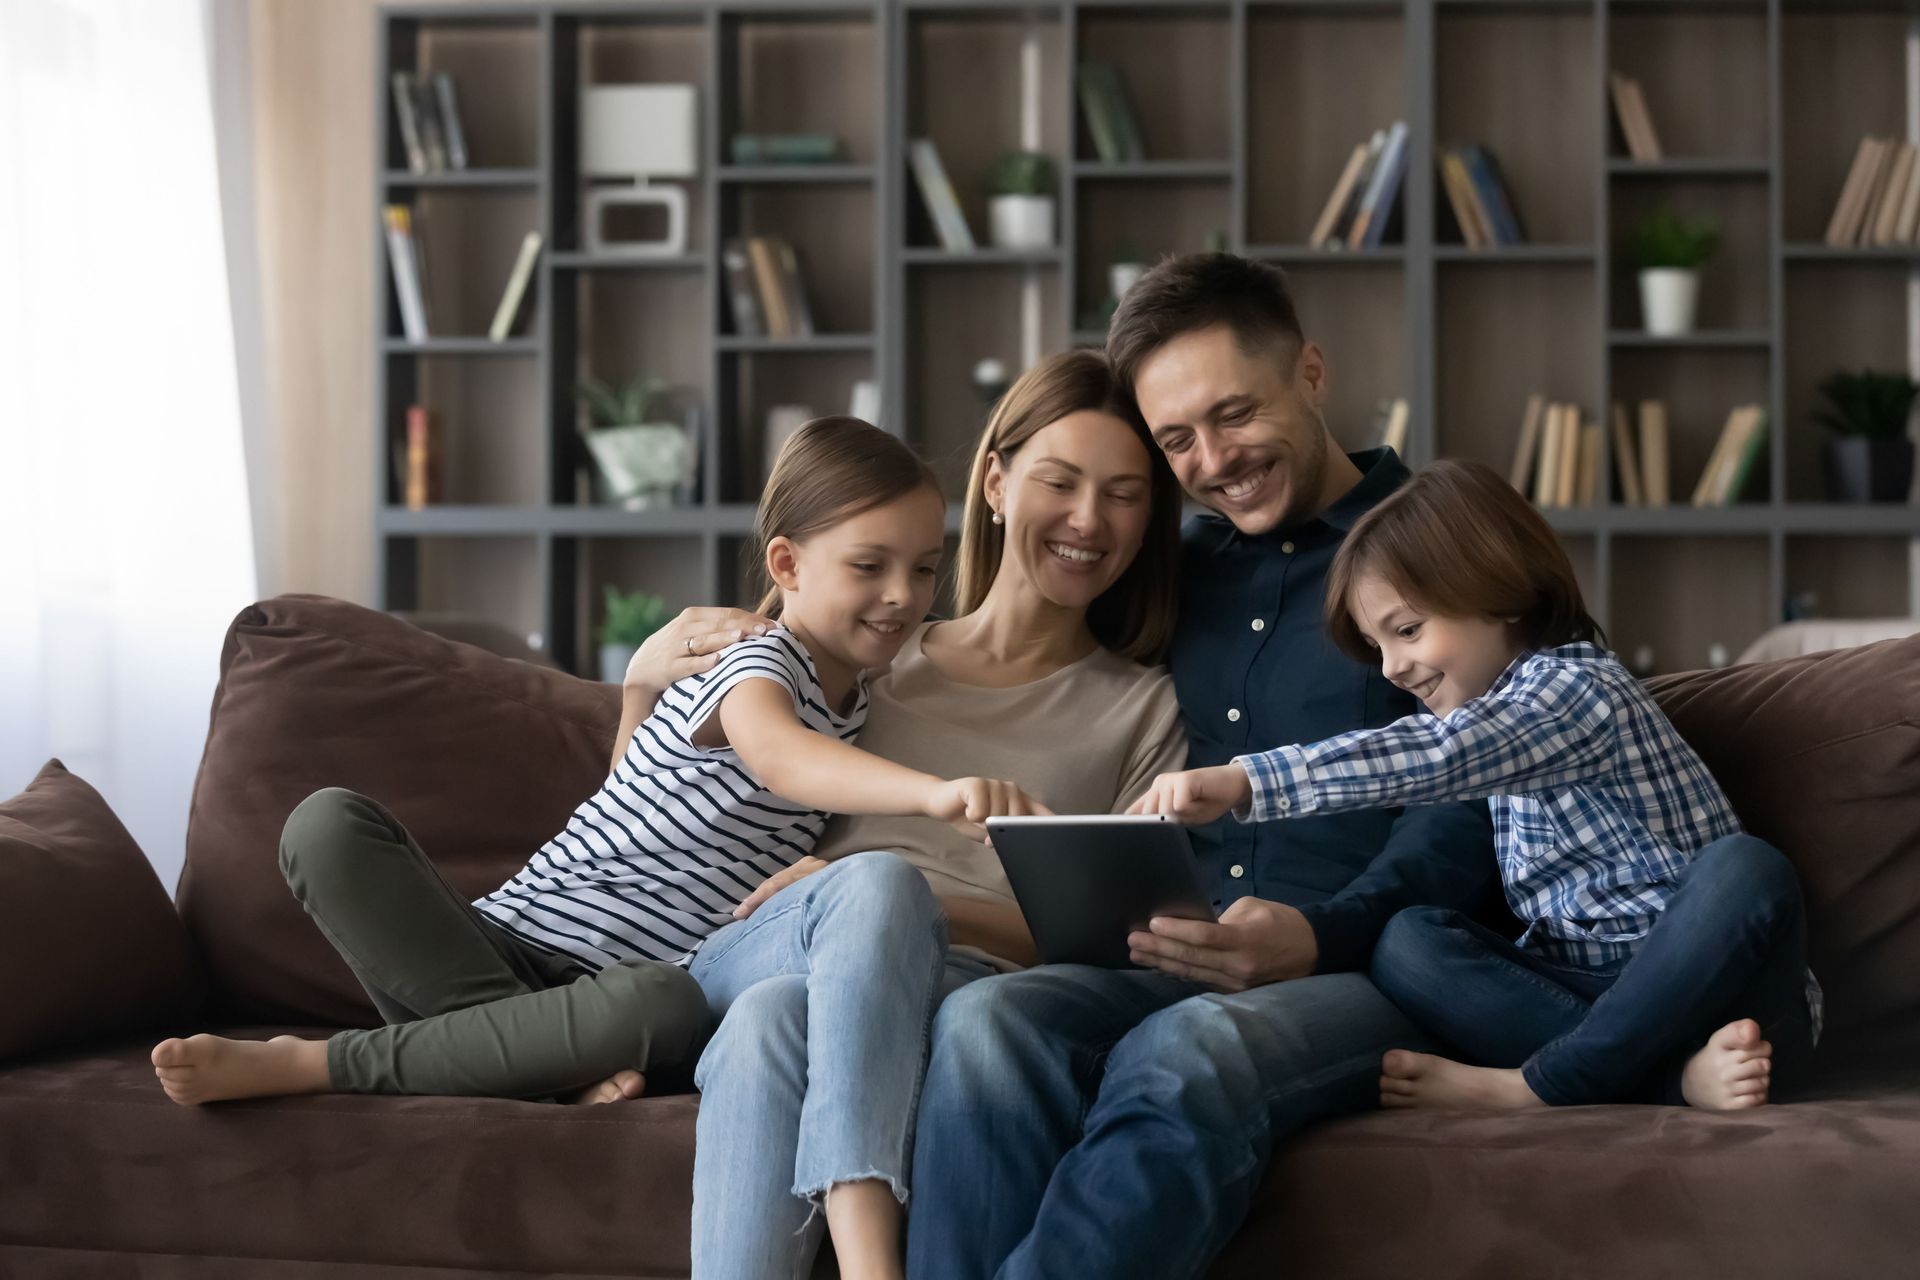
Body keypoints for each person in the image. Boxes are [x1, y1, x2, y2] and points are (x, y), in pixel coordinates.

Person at [146, 413, 1046, 1256]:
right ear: (787, 564)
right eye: (870, 566)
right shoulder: (757, 660)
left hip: (621, 992)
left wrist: (637, 697)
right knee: (325, 823)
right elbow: (777, 758)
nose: (903, 596)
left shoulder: (864, 701)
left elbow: (635, 785)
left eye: (925, 569)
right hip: (503, 940)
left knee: (668, 1003)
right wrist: (937, 796)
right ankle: (532, 1064)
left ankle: (321, 1063)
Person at [904, 253, 1496, 1280]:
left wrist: (1318, 932)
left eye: (1235, 413)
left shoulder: (1441, 543)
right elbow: (1021, 622)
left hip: (1367, 970)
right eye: (1176, 438)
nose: (1214, 459)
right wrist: (773, 639)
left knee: (1190, 1050)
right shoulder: (1179, 565)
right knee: (989, 1017)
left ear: (1310, 372)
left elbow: (1489, 790)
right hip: (1168, 955)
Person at [621, 349, 1189, 1280]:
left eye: (1126, 494)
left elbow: (1115, 940)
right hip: (774, 944)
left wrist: (910, 900)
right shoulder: (873, 642)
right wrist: (639, 689)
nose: (1090, 519)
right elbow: (662, 810)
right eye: (1060, 481)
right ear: (998, 484)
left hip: (961, 976)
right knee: (773, 997)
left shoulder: (1141, 707)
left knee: (785, 1003)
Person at [1130, 458, 1820, 1113]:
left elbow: (1440, 755)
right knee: (1407, 940)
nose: (1393, 668)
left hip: (1720, 996)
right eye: (1378, 649)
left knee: (1746, 869)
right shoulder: (1490, 714)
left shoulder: (1577, 692)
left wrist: (1247, 778)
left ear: (1498, 591)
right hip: (1589, 999)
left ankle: (1541, 1088)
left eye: (1407, 631)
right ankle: (1667, 1082)